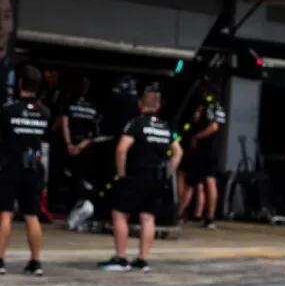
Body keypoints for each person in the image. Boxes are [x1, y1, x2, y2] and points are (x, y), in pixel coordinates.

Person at [102, 84, 179, 272]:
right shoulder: (166, 127)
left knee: (119, 214)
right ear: (158, 106)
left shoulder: (136, 123)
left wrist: (121, 174)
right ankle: (142, 260)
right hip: (157, 178)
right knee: (147, 217)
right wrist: (168, 173)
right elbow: (178, 152)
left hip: (136, 176)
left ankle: (121, 258)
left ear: (139, 104)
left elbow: (121, 149)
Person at [0, 65, 50, 276]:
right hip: (34, 167)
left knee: (5, 213)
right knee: (32, 215)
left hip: (10, 165)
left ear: (20, 83)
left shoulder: (8, 110)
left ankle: (0, 260)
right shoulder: (45, 112)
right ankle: (35, 262)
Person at [179, 91, 226, 229]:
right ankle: (208, 216)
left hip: (202, 150)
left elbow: (214, 126)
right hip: (210, 150)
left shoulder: (207, 106)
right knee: (205, 182)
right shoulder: (218, 107)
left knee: (191, 182)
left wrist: (197, 136)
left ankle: (180, 211)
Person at [55, 76, 100, 216]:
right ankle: (74, 209)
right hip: (83, 147)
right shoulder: (93, 107)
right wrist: (80, 146)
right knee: (79, 180)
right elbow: (94, 134)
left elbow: (65, 124)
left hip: (70, 144)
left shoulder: (69, 103)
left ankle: (68, 208)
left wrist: (69, 144)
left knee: (67, 178)